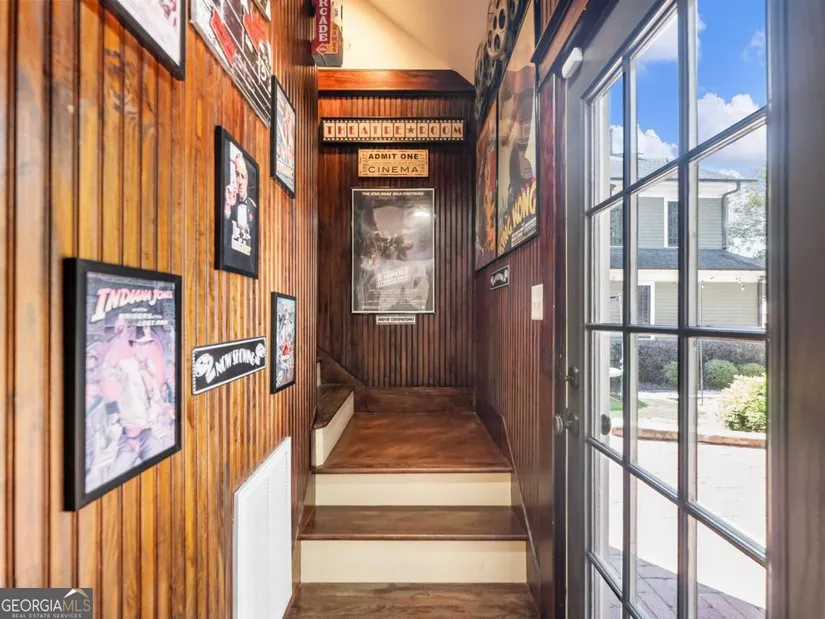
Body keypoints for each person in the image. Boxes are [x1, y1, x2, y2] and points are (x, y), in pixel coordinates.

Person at [100, 326, 168, 478]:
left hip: (148, 433)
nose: (144, 348)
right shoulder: (125, 366)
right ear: (134, 346)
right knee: (115, 478)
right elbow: (106, 371)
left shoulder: (150, 366)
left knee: (161, 474)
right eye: (140, 344)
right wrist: (117, 341)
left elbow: (155, 395)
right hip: (130, 436)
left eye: (147, 344)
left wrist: (165, 407)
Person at [224, 151, 257, 270]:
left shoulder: (253, 208)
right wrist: (227, 207)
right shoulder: (229, 199)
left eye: (243, 176)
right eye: (237, 174)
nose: (240, 181)